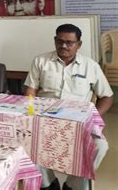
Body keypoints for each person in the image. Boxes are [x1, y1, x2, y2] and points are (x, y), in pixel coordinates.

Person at [24, 24, 114, 190]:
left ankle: (72, 184)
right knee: (26, 140)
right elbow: (30, 91)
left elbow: (107, 97)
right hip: (46, 120)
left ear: (79, 44)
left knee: (100, 146)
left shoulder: (91, 66)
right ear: (55, 40)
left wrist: (93, 116)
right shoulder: (41, 61)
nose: (63, 46)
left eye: (69, 42)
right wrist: (31, 114)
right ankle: (48, 183)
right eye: (60, 41)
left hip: (79, 122)